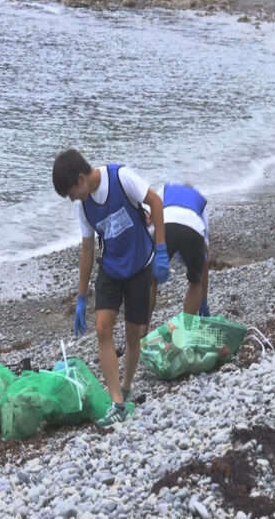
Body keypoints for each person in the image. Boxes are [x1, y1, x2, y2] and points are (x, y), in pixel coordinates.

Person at [52, 148, 169, 427]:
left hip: (140, 265)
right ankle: (117, 402)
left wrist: (162, 250)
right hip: (111, 269)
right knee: (103, 328)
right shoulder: (84, 207)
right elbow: (87, 248)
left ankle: (126, 387)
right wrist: (81, 296)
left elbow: (156, 202)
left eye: (71, 192)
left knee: (133, 336)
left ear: (81, 178)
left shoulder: (120, 178)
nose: (72, 200)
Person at [148, 183, 210, 324]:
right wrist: (203, 299)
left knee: (150, 280)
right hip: (193, 229)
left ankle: (142, 334)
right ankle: (187, 329)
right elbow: (205, 255)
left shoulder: (166, 189)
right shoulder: (199, 200)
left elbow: (149, 214)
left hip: (166, 224)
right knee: (195, 281)